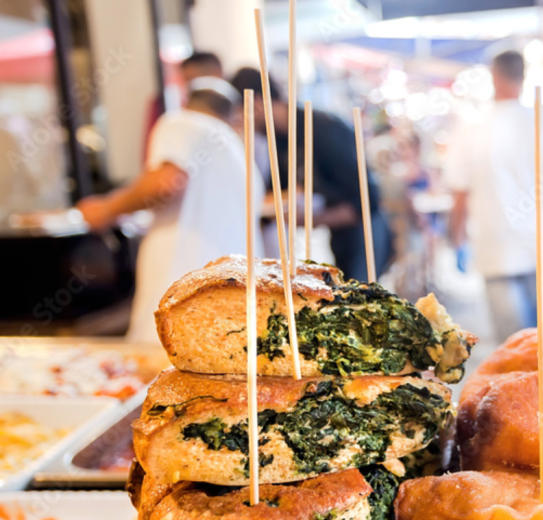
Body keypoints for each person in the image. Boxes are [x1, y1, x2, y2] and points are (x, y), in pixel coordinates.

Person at [77, 78, 263, 343]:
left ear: (187, 102)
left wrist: (106, 209)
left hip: (182, 295)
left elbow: (166, 182)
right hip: (233, 300)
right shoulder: (238, 153)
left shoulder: (182, 122)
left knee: (158, 365)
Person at [445, 50, 543, 341]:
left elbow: (459, 195)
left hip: (495, 247)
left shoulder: (470, 131)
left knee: (514, 345)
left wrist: (457, 240)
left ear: (494, 76)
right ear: (523, 75)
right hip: (542, 245)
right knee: (542, 342)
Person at [230, 68, 390, 282]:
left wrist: (308, 219)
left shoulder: (324, 129)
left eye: (240, 115)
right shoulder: (275, 140)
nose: (240, 123)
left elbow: (367, 201)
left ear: (256, 103)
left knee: (360, 292)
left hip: (365, 231)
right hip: (336, 234)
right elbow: (281, 191)